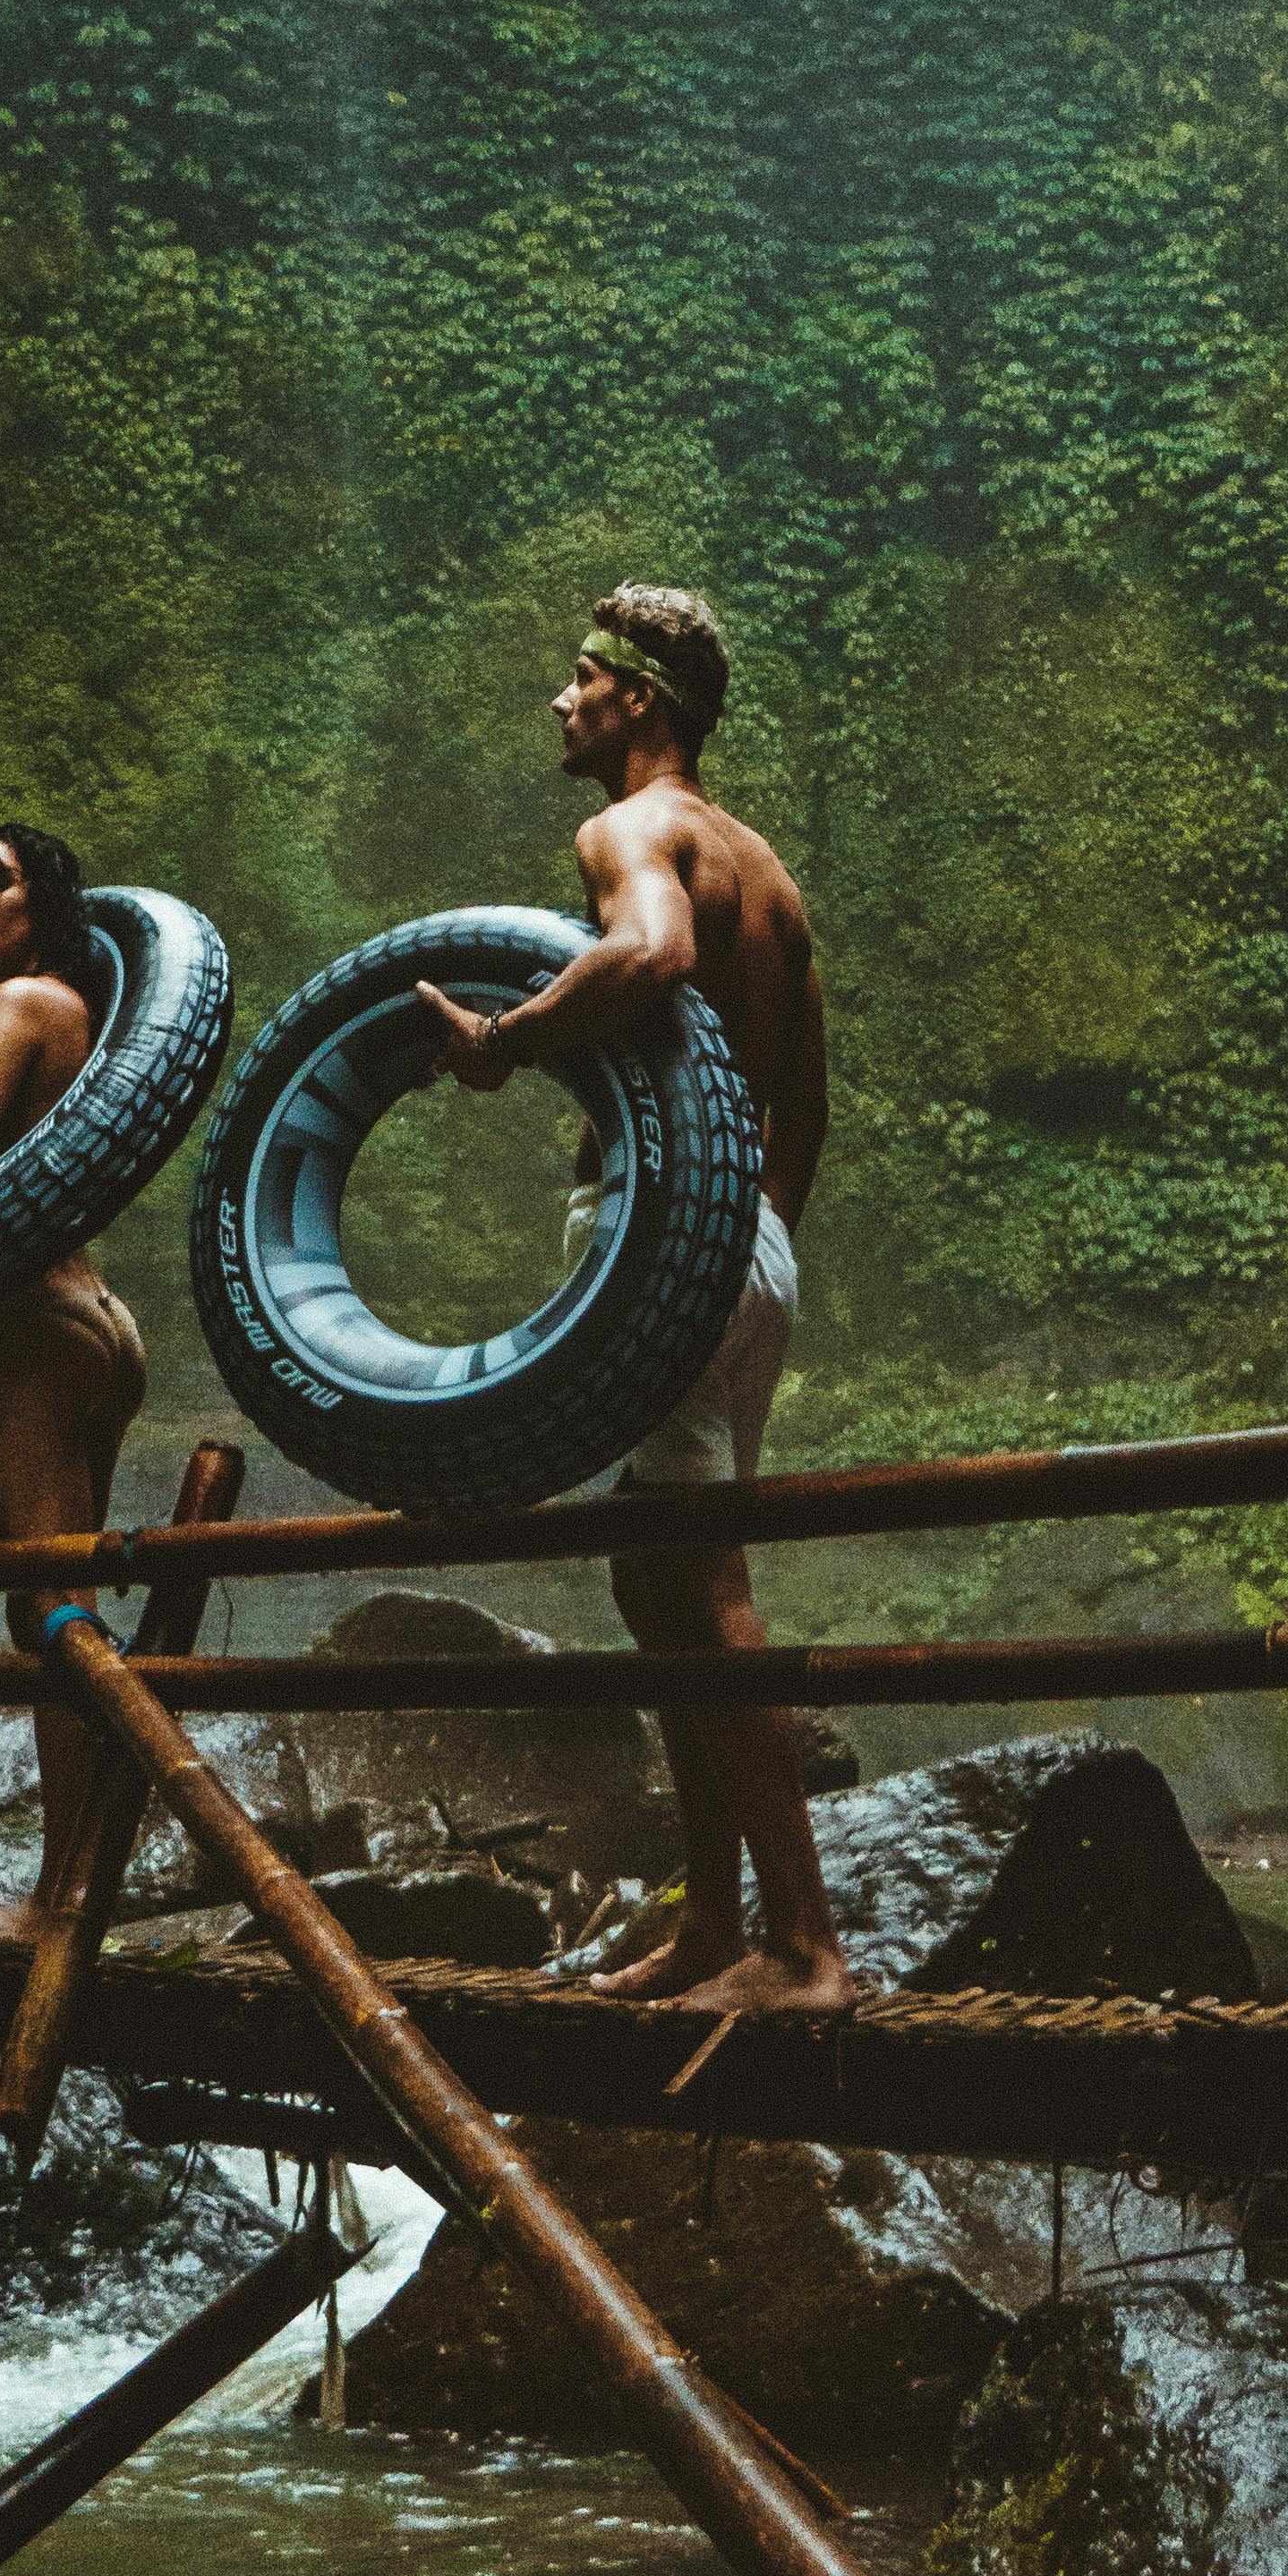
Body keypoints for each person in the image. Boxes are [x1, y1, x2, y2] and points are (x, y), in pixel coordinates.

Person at [419, 584, 852, 2016]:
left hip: (676, 1236)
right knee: (650, 1567)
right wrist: (743, 1232)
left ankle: (801, 1948)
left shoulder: (631, 831)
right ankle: (719, 1925)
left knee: (696, 1576)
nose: (558, 699)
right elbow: (804, 1098)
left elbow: (652, 952)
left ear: (636, 701)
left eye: (577, 678)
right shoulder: (767, 870)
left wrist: (506, 1038)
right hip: (745, 1243)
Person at [0, 817, 147, 1947]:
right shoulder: (76, 1012)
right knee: (65, 1604)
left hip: (29, 1331)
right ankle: (88, 1868)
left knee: (55, 1611)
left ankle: (62, 1899)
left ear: (44, 903)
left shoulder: (16, 1009)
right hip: (98, 1318)